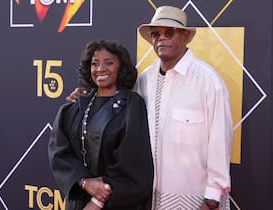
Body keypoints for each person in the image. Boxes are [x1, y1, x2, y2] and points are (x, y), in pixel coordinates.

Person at [67, 6, 233, 210]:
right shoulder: (144, 79)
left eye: (169, 32)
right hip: (144, 199)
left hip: (195, 200)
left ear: (185, 36)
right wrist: (85, 95)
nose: (161, 38)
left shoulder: (208, 81)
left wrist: (212, 199)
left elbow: (220, 142)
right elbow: (112, 103)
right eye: (156, 34)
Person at [48, 40, 154, 210]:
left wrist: (97, 200)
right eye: (94, 64)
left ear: (121, 68)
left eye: (109, 63)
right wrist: (84, 182)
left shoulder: (131, 105)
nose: (100, 69)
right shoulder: (72, 109)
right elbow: (59, 153)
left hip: (116, 203)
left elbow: (133, 163)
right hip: (78, 201)